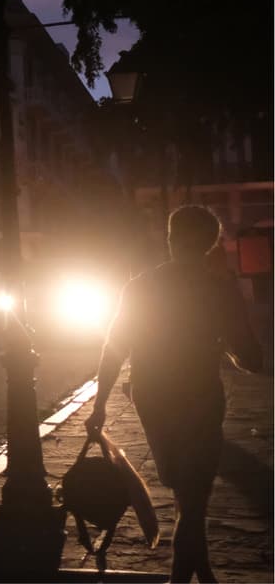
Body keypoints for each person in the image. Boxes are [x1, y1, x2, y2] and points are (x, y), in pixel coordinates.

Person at [86, 205, 263, 583]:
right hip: (200, 399)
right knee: (194, 497)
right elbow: (250, 358)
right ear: (211, 244)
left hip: (152, 400)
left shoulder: (140, 287)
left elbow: (114, 348)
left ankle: (205, 575)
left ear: (170, 238)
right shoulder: (219, 290)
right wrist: (225, 342)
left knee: (187, 492)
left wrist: (100, 405)